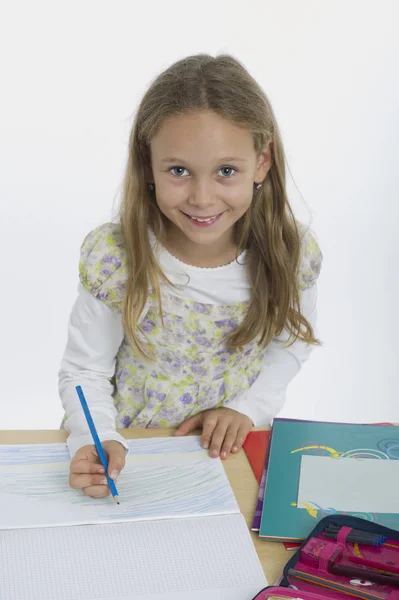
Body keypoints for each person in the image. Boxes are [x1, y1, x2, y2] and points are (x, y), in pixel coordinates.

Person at [59, 53, 322, 499]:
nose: (202, 198)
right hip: (125, 458)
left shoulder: (288, 253)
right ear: (149, 165)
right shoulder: (116, 257)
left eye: (226, 171)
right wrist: (94, 438)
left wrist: (247, 409)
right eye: (178, 171)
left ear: (261, 163)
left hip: (226, 459)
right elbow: (85, 370)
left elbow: (290, 345)